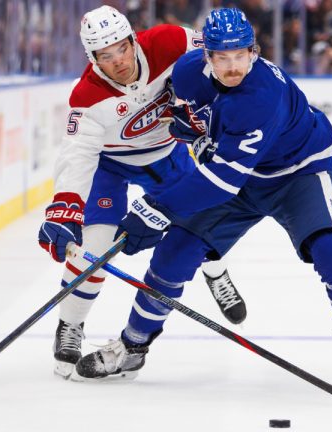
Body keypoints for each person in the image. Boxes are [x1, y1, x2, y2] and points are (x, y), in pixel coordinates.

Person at [71, 7, 332, 392]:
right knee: (174, 254)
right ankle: (132, 346)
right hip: (239, 176)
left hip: (298, 173)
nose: (234, 66)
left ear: (254, 52)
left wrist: (155, 208)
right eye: (223, 58)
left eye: (241, 56)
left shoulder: (260, 97)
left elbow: (221, 182)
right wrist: (189, 129)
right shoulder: (186, 72)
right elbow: (184, 117)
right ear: (208, 56)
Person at [36, 5, 247, 379]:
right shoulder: (85, 97)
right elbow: (77, 155)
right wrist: (63, 210)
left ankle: (217, 272)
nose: (118, 60)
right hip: (110, 167)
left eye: (121, 47)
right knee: (95, 247)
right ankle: (70, 325)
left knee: (202, 224)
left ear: (133, 38)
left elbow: (218, 63)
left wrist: (202, 110)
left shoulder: (170, 40)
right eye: (106, 55)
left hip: (167, 154)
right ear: (92, 57)